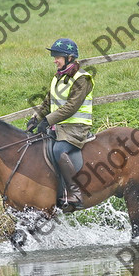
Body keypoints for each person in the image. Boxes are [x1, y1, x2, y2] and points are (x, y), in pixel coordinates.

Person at [27, 38, 95, 210]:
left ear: (70, 58)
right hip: (59, 126)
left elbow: (71, 107)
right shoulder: (58, 77)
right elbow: (47, 102)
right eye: (54, 56)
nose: (54, 60)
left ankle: (75, 192)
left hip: (76, 128)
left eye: (57, 57)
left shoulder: (82, 79)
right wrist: (35, 118)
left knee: (58, 150)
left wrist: (47, 120)